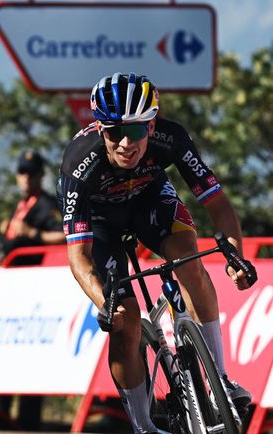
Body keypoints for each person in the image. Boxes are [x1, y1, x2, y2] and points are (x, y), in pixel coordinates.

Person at [57, 72, 256, 434]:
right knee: (126, 318)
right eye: (113, 132)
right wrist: (105, 302)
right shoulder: (79, 163)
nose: (124, 143)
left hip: (150, 200)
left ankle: (220, 383)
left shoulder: (172, 137)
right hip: (101, 225)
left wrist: (237, 257)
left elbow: (218, 204)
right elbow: (78, 257)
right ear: (100, 129)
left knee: (188, 259)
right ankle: (143, 425)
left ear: (152, 126)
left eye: (135, 131)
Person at [0, 150, 65, 431]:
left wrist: (32, 234)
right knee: (5, 352)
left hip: (33, 289)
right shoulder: (22, 204)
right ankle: (3, 411)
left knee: (30, 354)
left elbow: (64, 234)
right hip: (10, 288)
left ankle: (29, 415)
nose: (26, 178)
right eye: (22, 172)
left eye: (31, 173)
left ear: (40, 175)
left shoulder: (45, 204)